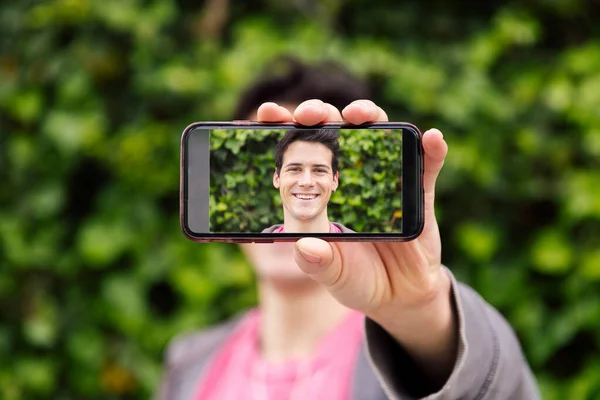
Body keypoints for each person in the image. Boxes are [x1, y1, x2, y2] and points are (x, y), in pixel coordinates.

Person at [156, 57, 541, 399]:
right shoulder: (189, 362)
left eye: (318, 168)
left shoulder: (403, 354)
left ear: (335, 181)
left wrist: (423, 316)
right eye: (293, 167)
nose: (305, 182)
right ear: (275, 179)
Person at [262, 128, 354, 234]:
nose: (306, 182)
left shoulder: (361, 249)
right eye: (294, 169)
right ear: (277, 178)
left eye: (319, 170)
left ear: (335, 180)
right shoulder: (254, 249)